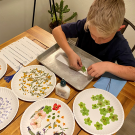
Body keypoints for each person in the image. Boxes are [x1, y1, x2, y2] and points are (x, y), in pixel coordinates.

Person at [52, 0, 135, 81]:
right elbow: (56, 31)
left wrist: (107, 66)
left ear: (118, 29)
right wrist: (70, 53)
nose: (97, 41)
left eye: (104, 38)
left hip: (97, 80)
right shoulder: (86, 24)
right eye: (93, 35)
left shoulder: (119, 43)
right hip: (75, 71)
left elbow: (133, 73)